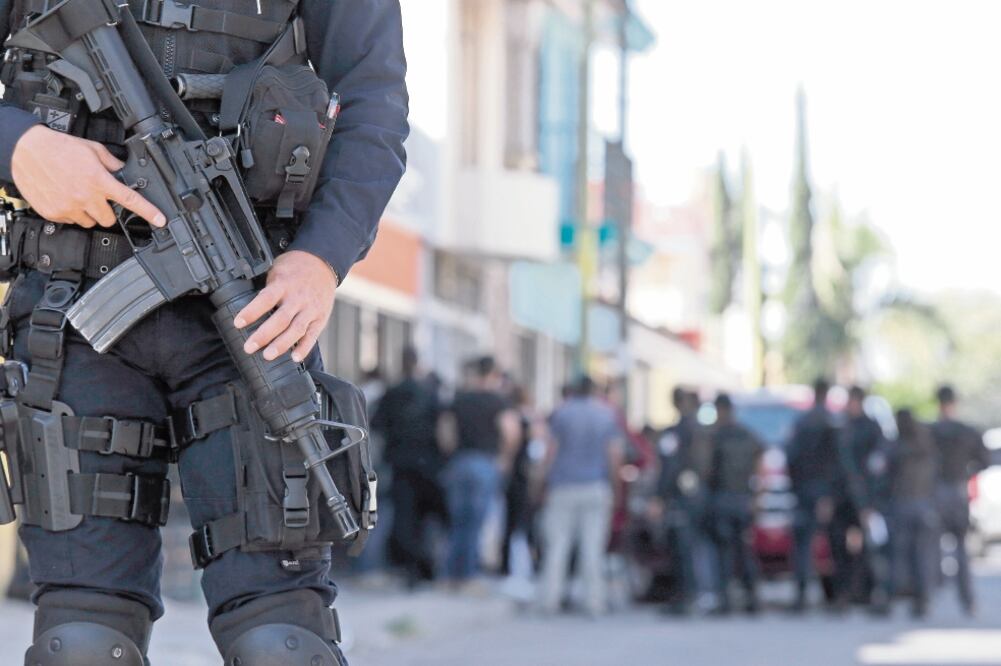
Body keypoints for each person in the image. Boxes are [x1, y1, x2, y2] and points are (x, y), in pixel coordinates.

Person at [0, 0, 408, 662]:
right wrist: (18, 145)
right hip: (70, 314)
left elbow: (373, 100)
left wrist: (321, 257)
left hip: (253, 311)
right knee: (80, 642)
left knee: (284, 642)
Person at [537, 376, 623, 616]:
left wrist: (541, 483)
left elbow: (550, 451)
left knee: (557, 546)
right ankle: (594, 602)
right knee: (592, 547)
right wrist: (616, 489)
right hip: (595, 486)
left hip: (563, 486)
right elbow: (614, 455)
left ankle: (549, 600)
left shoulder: (562, 413)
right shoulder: (606, 415)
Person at [438, 356, 521, 585]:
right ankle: (468, 575)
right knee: (476, 522)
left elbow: (445, 431)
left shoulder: (459, 399)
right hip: (485, 461)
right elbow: (511, 432)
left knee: (457, 521)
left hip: (460, 461)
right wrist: (505, 459)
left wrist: (452, 453)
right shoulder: (499, 401)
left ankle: (449, 574)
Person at [371, 347, 446, 588]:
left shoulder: (392, 393)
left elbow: (377, 424)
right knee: (425, 517)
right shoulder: (430, 393)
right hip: (428, 463)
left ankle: (410, 567)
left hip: (401, 462)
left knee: (404, 515)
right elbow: (442, 428)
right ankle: (424, 566)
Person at [655, 387, 715, 615]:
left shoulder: (678, 431)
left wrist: (659, 496)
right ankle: (697, 593)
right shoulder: (703, 430)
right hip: (700, 496)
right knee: (695, 546)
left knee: (682, 549)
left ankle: (686, 595)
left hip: (682, 498)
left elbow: (669, 466)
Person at [930, 385, 988, 616]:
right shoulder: (966, 431)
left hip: (936, 492)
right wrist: (967, 471)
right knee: (961, 549)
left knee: (932, 548)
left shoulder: (930, 431)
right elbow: (983, 460)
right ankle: (967, 601)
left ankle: (929, 599)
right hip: (957, 491)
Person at [835, 386, 892, 614]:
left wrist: (869, 504)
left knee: (873, 550)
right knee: (842, 548)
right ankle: (847, 593)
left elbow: (876, 469)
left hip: (867, 500)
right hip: (845, 500)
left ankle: (877, 595)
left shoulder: (871, 429)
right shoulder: (843, 427)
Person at [786, 378, 840, 612]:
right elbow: (837, 462)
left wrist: (796, 487)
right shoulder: (831, 423)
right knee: (832, 545)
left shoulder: (802, 423)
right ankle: (835, 596)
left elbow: (791, 458)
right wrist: (829, 495)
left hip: (804, 490)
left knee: (803, 545)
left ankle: (801, 596)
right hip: (823, 492)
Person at [707, 393, 763, 615]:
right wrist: (757, 495)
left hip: (723, 499)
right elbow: (760, 462)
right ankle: (751, 597)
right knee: (744, 550)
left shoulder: (716, 436)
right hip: (743, 499)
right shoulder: (746, 434)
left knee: (724, 552)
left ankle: (726, 600)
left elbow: (708, 470)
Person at [889, 409, 938, 618]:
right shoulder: (927, 449)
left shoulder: (898, 449)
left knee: (905, 554)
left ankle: (906, 593)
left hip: (904, 505)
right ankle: (922, 597)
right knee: (922, 555)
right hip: (923, 506)